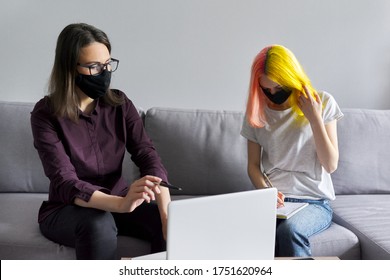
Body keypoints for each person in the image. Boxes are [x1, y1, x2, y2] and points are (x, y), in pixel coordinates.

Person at [30, 23, 171, 260]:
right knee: (99, 223)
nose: (104, 73)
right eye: (94, 67)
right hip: (69, 209)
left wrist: (166, 215)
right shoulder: (45, 114)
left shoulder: (120, 104)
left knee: (168, 220)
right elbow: (65, 181)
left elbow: (147, 154)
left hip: (118, 200)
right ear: (69, 68)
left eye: (107, 65)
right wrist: (121, 204)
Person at [241, 45, 344, 257]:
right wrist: (265, 192)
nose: (273, 96)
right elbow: (252, 166)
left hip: (312, 202)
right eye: (266, 90)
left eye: (278, 89)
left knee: (290, 231)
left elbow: (330, 164)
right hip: (272, 201)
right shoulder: (257, 112)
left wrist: (314, 117)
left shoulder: (322, 102)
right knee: (239, 230)